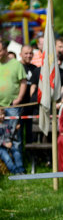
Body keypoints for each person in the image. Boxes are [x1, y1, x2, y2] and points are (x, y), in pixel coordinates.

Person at [0, 41, 26, 174]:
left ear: (5, 50)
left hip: (12, 107)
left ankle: (20, 169)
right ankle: (11, 168)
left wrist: (19, 99)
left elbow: (23, 82)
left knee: (15, 139)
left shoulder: (16, 64)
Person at [0, 108, 21, 174]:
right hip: (1, 147)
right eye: (0, 115)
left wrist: (15, 129)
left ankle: (21, 170)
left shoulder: (7, 124)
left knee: (17, 154)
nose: (2, 116)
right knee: (7, 158)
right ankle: (15, 172)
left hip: (8, 145)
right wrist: (5, 144)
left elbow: (11, 134)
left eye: (3, 114)